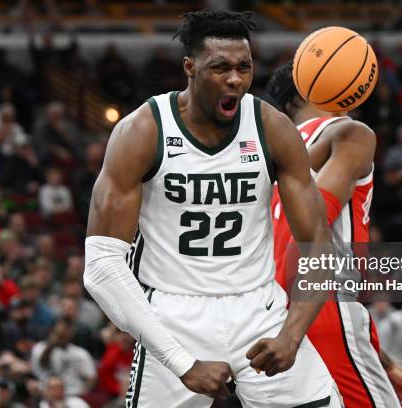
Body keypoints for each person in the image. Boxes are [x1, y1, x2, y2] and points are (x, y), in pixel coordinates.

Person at [83, 10, 342, 408]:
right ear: (190, 67)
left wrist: (291, 336)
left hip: (258, 305)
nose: (235, 79)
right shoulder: (143, 130)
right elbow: (101, 265)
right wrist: (181, 362)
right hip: (172, 311)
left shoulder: (271, 127)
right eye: (220, 67)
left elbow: (318, 244)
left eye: (244, 67)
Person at [266, 61, 402, 408]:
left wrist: (383, 361)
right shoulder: (350, 132)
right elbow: (312, 238)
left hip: (272, 316)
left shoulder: (271, 157)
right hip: (318, 303)